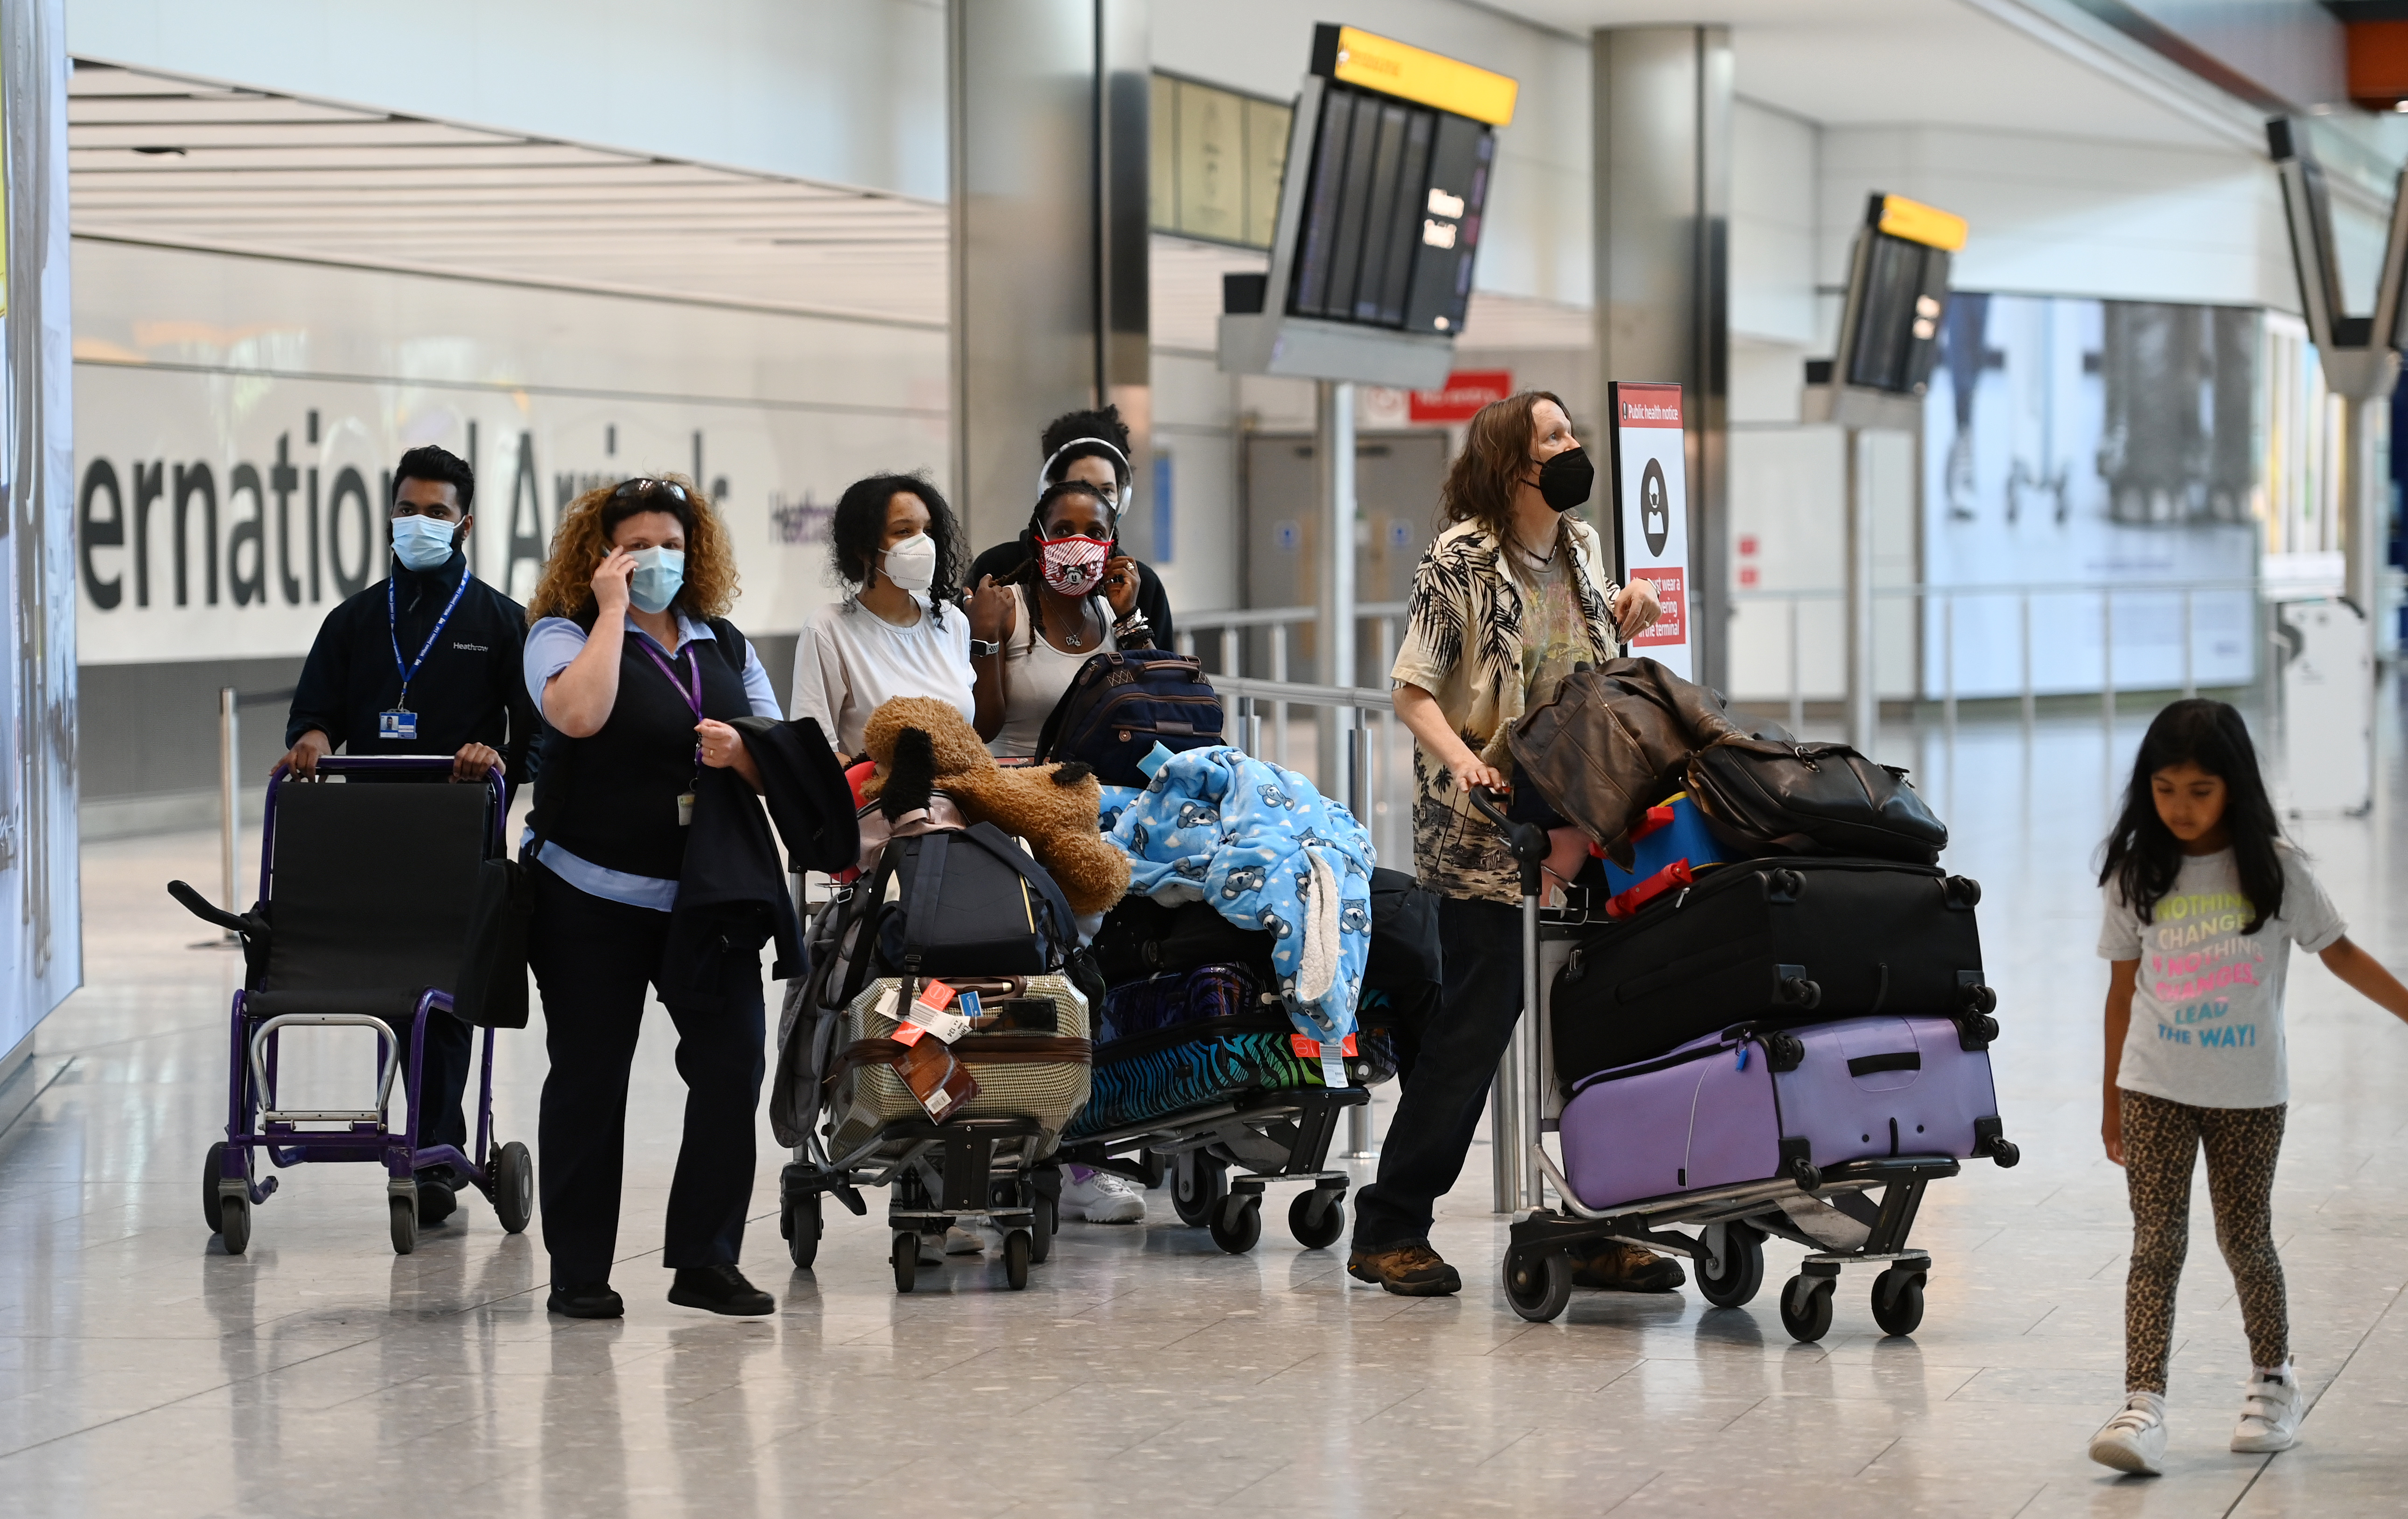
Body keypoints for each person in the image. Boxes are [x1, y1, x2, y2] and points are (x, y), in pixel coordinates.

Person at [1344, 390, 1676, 1297]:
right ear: (1512, 462)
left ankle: (1595, 1218)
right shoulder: (1461, 558)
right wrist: (1467, 769)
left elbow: (1578, 657)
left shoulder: (1582, 546)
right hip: (1489, 826)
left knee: (1600, 1020)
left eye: (1573, 431)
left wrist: (1627, 613)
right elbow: (1414, 690)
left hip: (1588, 817)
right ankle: (1392, 1223)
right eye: (1555, 436)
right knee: (1478, 1024)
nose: (1574, 446)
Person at [2086, 700, 2408, 1474]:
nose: (2182, 807)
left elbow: (2341, 953)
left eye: (2201, 789)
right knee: (2156, 1245)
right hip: (2155, 1086)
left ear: (2234, 785)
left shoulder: (2274, 865)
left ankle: (2274, 1379)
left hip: (2250, 1092)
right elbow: (2122, 992)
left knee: (2246, 1240)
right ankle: (2143, 1402)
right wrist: (2109, 1100)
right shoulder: (2138, 871)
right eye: (2166, 789)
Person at [522, 476, 787, 1320]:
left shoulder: (725, 643)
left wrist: (739, 754)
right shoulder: (560, 635)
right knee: (591, 1079)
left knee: (733, 1061)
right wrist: (610, 614)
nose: (658, 561)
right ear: (602, 555)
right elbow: (577, 715)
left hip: (706, 900)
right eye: (638, 546)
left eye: (672, 545)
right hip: (588, 898)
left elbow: (775, 750)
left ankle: (706, 1258)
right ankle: (579, 1271)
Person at [278, 443, 538, 1227]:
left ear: (463, 523)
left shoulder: (500, 623)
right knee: (390, 992)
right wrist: (316, 743)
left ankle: (434, 1152)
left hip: (457, 841)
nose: (417, 524)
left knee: (442, 997)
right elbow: (312, 715)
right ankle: (425, 1142)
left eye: (434, 512)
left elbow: (534, 738)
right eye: (405, 509)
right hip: (369, 837)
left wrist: (495, 757)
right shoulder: (354, 620)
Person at [790, 474, 978, 765]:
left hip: (957, 804)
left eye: (927, 531)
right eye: (904, 532)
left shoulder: (952, 621)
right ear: (863, 547)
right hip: (877, 803)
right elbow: (815, 750)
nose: (923, 544)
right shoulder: (828, 628)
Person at [968, 405, 1175, 652]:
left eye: (1107, 490)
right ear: (1049, 493)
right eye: (1081, 487)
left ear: (1123, 499)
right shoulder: (1000, 568)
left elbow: (1161, 681)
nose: (1095, 502)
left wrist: (1129, 618)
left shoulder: (1142, 585)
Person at [967, 478, 1148, 756]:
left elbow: (1151, 706)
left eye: (1095, 533)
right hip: (1014, 783)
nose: (1078, 543)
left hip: (1096, 785)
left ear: (1110, 546)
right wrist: (984, 633)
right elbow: (982, 729)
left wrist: (1128, 615)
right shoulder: (1006, 608)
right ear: (1040, 541)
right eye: (1063, 530)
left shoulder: (1111, 611)